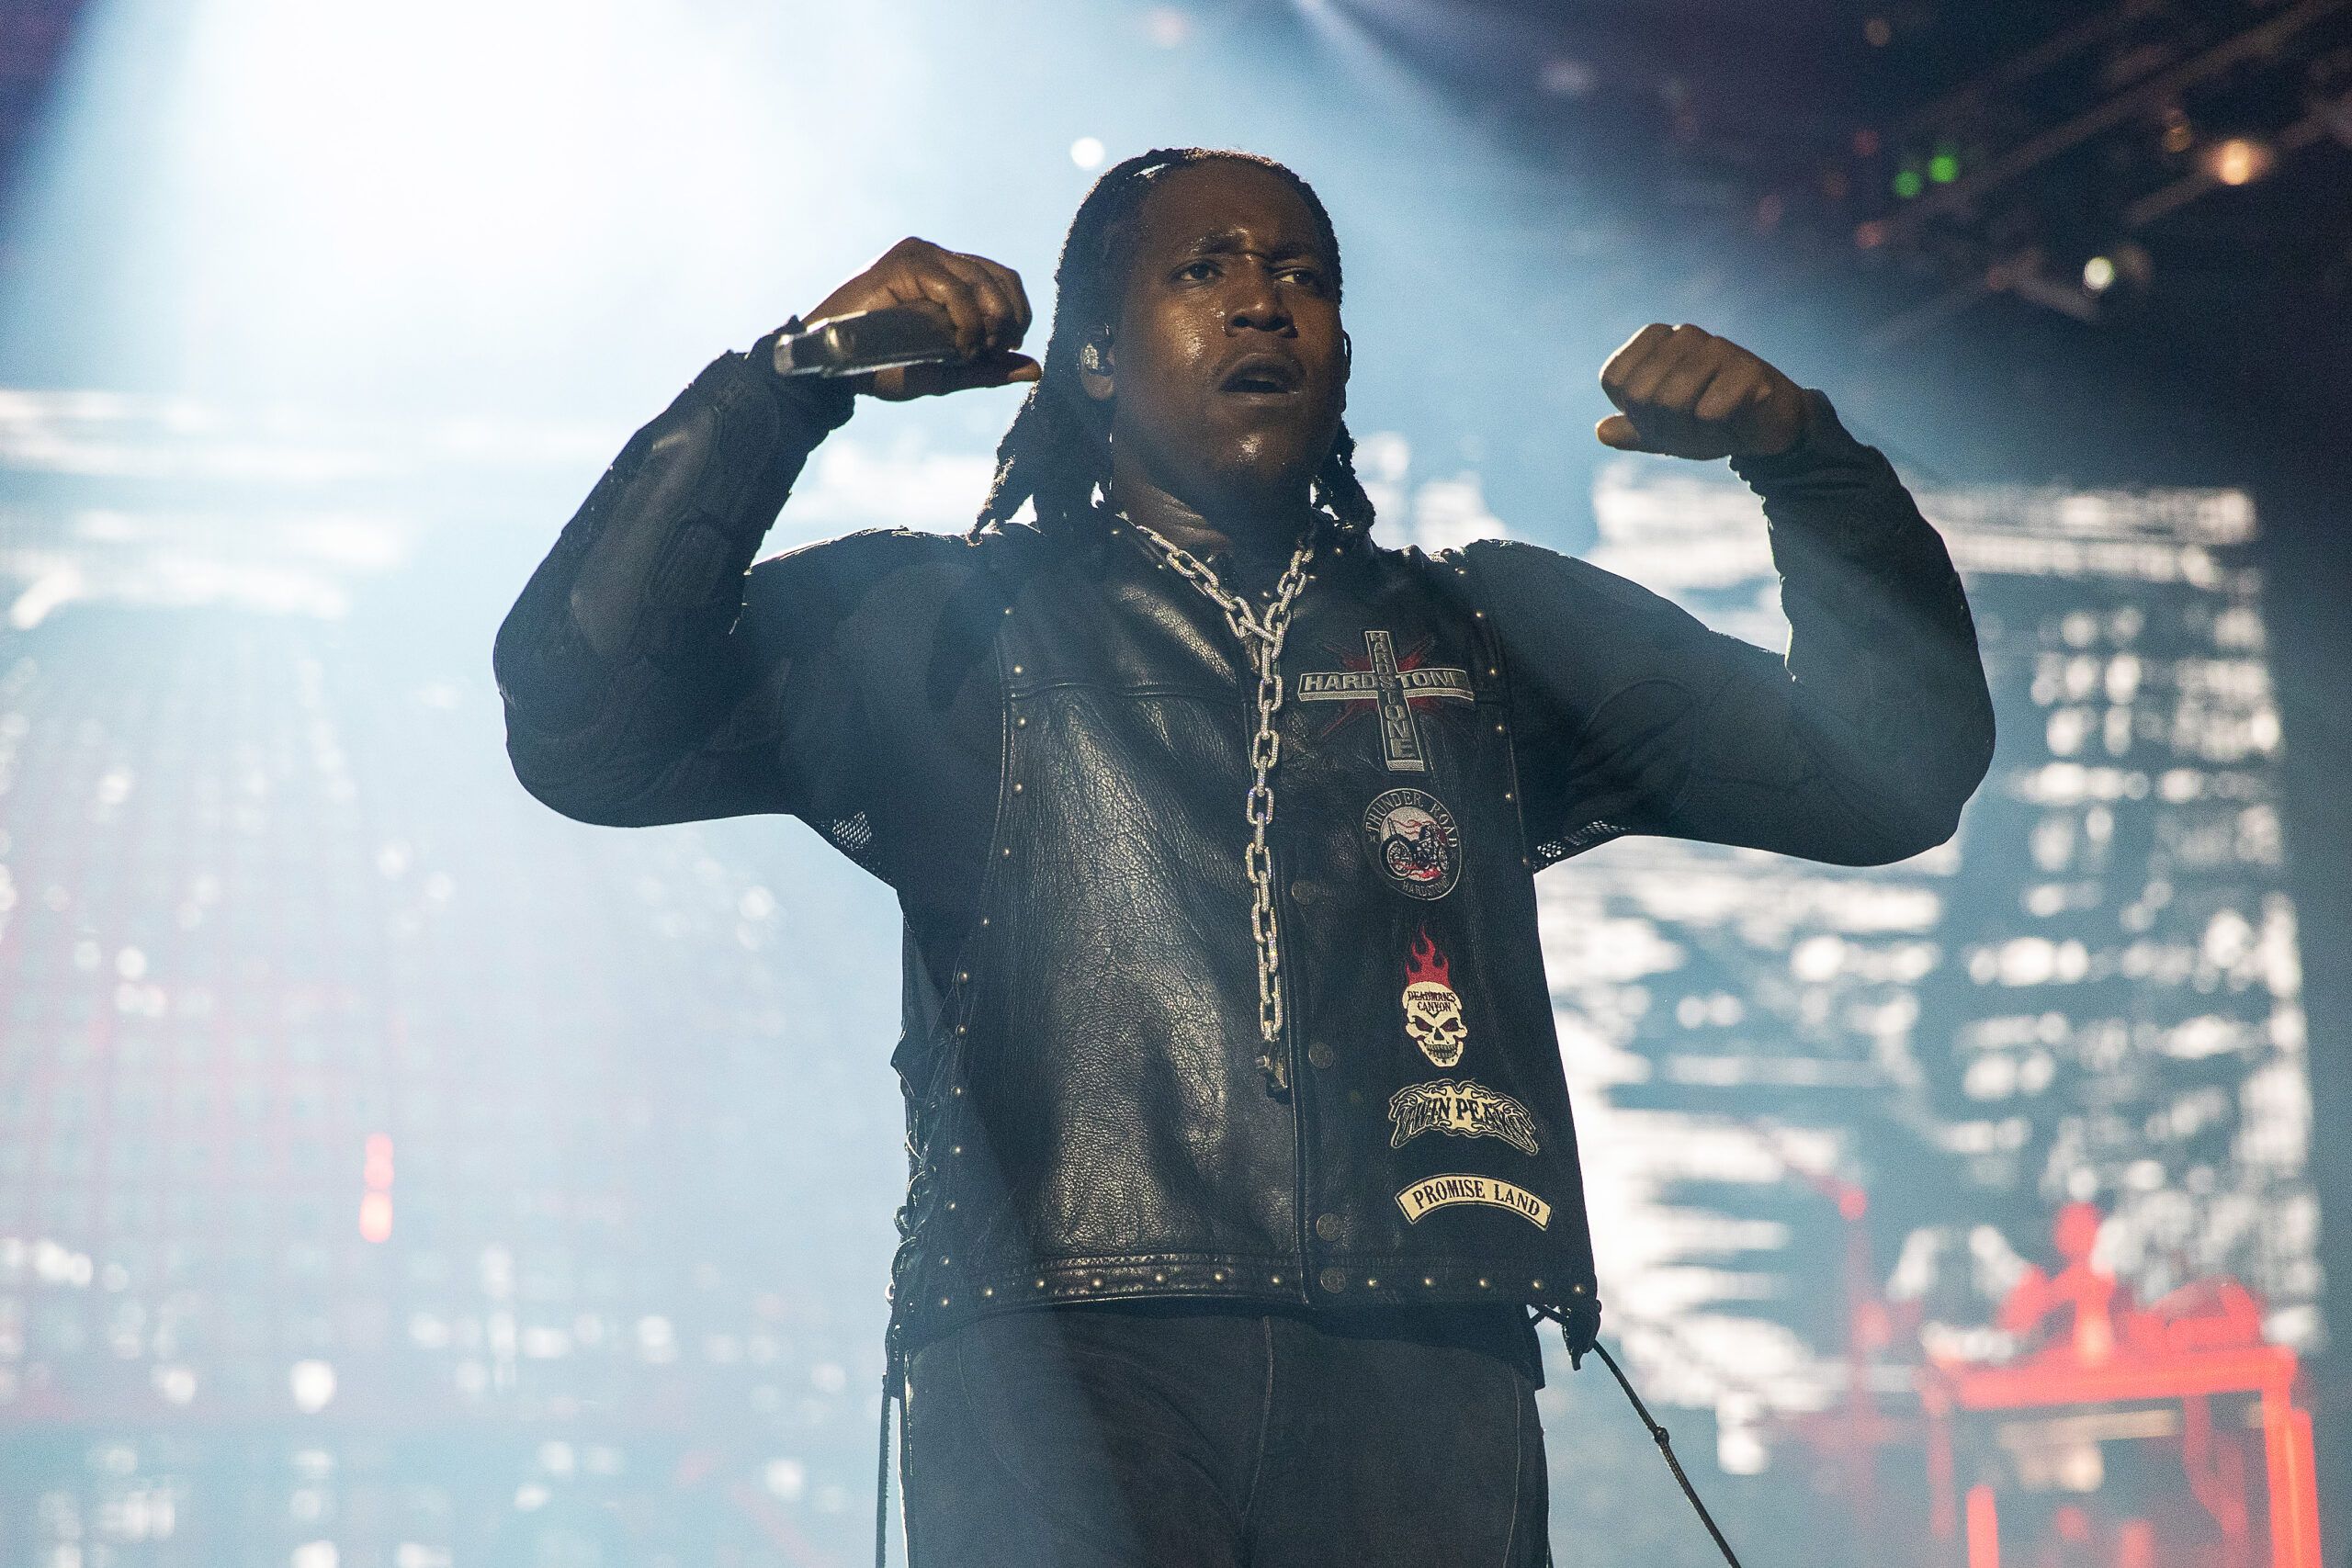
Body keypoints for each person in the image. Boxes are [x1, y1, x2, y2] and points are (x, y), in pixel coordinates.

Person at [493, 147, 1995, 1567]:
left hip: (1429, 1353)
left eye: (1304, 276)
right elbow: (580, 721)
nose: (1265, 300)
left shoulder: (1486, 632)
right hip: (1065, 1362)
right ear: (1093, 357)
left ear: (1342, 351)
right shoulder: (943, 624)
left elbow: (1892, 777)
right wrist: (782, 390)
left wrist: (1809, 467)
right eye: (1203, 269)